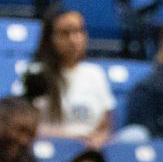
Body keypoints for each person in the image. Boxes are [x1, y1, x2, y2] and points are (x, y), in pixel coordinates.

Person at [23, 8, 116, 144]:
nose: (73, 39)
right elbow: (26, 124)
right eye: (65, 33)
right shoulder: (35, 73)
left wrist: (98, 139)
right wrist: (70, 139)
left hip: (87, 153)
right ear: (49, 38)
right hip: (49, 148)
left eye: (79, 31)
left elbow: (106, 125)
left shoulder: (95, 73)